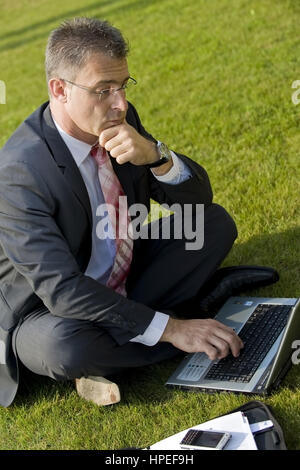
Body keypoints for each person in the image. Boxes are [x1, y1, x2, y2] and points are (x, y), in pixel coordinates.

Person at [0, 17, 278, 407]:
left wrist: (155, 156)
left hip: (122, 268)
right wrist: (173, 330)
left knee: (213, 224)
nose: (121, 103)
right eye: (103, 90)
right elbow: (62, 291)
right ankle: (191, 314)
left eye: (123, 85)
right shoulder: (19, 173)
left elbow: (197, 201)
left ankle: (124, 349)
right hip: (49, 313)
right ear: (59, 90)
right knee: (66, 349)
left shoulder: (120, 120)